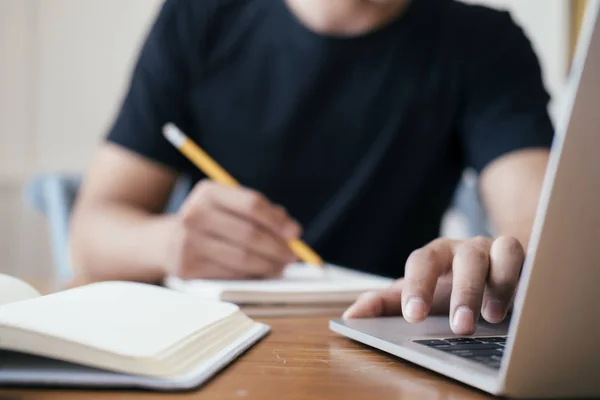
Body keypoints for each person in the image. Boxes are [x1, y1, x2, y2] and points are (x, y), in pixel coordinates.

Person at [69, 0, 553, 335]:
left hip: (384, 334)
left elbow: (542, 231)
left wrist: (489, 268)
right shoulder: (199, 18)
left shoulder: (485, 44)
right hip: (213, 337)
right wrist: (170, 243)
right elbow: (91, 235)